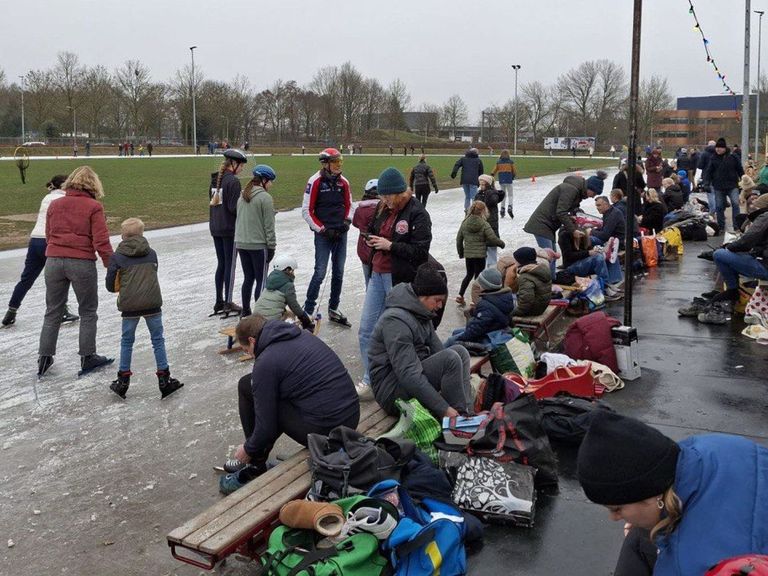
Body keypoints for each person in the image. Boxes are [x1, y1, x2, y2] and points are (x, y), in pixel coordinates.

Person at [577, 411, 768, 576]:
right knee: (641, 535)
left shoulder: (683, 564)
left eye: (617, 508)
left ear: (650, 496)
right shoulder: (717, 445)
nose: (614, 517)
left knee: (637, 541)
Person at [219, 314, 360, 494]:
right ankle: (257, 458)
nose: (249, 355)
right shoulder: (299, 335)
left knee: (254, 393)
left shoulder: (266, 362)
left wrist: (247, 449)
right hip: (350, 415)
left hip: (328, 431)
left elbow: (267, 427)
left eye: (246, 350)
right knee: (252, 385)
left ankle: (254, 465)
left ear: (253, 341)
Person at [356, 168, 433, 398]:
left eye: (388, 197)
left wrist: (390, 246)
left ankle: (402, 379)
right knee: (366, 330)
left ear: (400, 193)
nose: (385, 201)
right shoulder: (382, 208)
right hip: (377, 274)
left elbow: (421, 251)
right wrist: (370, 240)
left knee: (398, 331)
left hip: (399, 278)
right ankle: (373, 380)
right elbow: (373, 229)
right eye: (382, 197)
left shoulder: (417, 213)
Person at [37, 166, 114, 378]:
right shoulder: (93, 206)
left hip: (53, 261)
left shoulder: (55, 204)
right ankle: (87, 356)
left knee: (53, 310)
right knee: (88, 310)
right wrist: (112, 266)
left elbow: (48, 234)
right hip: (81, 262)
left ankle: (44, 357)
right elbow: (101, 241)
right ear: (94, 184)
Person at [368, 263, 472, 419]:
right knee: (450, 359)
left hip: (411, 378)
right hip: (391, 392)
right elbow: (409, 374)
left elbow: (440, 351)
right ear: (423, 296)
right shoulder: (395, 322)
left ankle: (467, 414)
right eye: (437, 300)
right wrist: (444, 409)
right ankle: (456, 422)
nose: (440, 305)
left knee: (460, 352)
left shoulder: (422, 313)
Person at [105, 218, 184, 400]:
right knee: (158, 340)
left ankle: (123, 381)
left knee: (127, 341)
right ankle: (164, 379)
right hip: (152, 303)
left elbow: (110, 286)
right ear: (142, 234)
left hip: (130, 306)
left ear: (123, 236)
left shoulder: (117, 257)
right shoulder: (152, 254)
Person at [3, 175, 79, 328]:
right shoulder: (64, 199)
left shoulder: (47, 197)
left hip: (35, 240)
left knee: (26, 279)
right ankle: (61, 312)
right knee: (58, 279)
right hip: (49, 241)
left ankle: (11, 311)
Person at [301, 148, 353, 327]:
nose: (339, 165)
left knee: (338, 272)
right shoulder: (314, 181)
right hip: (323, 235)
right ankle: (307, 310)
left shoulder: (344, 182)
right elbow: (307, 211)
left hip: (340, 233)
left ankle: (333, 307)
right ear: (326, 164)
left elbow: (349, 205)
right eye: (335, 162)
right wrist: (322, 230)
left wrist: (347, 222)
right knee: (320, 272)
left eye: (340, 162)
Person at [699, 193, 768, 324]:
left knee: (719, 255)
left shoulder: (765, 216)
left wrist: (729, 247)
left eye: (756, 204)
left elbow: (747, 240)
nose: (752, 206)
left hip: (765, 266)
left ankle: (732, 291)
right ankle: (726, 292)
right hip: (763, 260)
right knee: (731, 255)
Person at [523, 175, 601, 277]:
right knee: (548, 256)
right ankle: (548, 284)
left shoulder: (576, 191)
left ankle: (551, 281)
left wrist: (573, 217)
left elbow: (569, 208)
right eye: (594, 193)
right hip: (541, 224)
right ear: (589, 187)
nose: (593, 196)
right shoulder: (571, 189)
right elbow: (561, 212)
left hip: (548, 225)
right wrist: (573, 230)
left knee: (553, 255)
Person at [209, 149, 248, 317]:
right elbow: (233, 208)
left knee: (222, 264)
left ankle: (219, 300)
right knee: (230, 266)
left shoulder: (216, 179)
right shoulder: (233, 182)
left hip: (216, 227)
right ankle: (228, 301)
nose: (242, 169)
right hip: (229, 230)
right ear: (234, 164)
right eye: (241, 166)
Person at [235, 164, 277, 317]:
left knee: (248, 278)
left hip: (241, 243)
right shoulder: (265, 198)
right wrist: (271, 246)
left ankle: (245, 311)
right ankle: (260, 313)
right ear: (264, 180)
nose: (271, 185)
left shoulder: (242, 195)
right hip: (258, 245)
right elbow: (269, 226)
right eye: (271, 181)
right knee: (261, 279)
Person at [444, 267, 515, 347]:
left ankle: (439, 356)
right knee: (456, 332)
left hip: (489, 336)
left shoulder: (485, 304)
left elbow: (476, 330)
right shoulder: (506, 296)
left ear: (484, 285)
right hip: (497, 330)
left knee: (451, 341)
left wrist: (460, 337)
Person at [455, 200, 505, 306]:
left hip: (469, 255)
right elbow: (492, 238)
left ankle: (460, 295)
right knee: (478, 277)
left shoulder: (465, 222)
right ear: (483, 211)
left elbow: (459, 239)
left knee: (469, 274)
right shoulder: (484, 223)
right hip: (480, 255)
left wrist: (461, 252)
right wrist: (501, 243)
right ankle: (475, 300)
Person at [252, 255, 315, 331]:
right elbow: (294, 306)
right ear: (288, 270)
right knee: (291, 314)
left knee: (288, 312)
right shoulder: (288, 286)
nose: (293, 273)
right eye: (293, 270)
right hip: (269, 323)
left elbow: (273, 301)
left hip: (255, 319)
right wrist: (306, 321)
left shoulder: (270, 280)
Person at [557, 228, 620, 299]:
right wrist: (588, 253)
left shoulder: (581, 233)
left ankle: (607, 284)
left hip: (580, 264)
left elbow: (587, 251)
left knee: (602, 258)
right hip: (570, 267)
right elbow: (569, 256)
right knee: (598, 258)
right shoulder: (565, 235)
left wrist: (593, 251)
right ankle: (605, 288)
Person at [704, 138, 745, 233]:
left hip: (732, 185)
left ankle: (736, 226)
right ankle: (721, 226)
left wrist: (743, 181)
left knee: (735, 204)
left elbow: (740, 170)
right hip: (718, 186)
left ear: (724, 148)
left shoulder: (733, 157)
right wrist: (706, 183)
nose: (717, 149)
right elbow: (708, 172)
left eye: (720, 148)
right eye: (716, 148)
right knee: (719, 206)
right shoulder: (713, 158)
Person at [351, 179, 380, 287]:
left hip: (363, 250)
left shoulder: (360, 209)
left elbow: (355, 223)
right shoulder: (383, 209)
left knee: (369, 281)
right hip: (378, 251)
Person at [510, 247, 551, 318]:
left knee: (505, 300)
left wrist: (512, 312)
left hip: (533, 310)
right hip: (542, 305)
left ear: (522, 261)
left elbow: (526, 302)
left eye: (516, 260)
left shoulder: (525, 277)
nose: (514, 262)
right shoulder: (540, 269)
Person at [475, 174, 503, 266]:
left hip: (491, 225)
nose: (481, 186)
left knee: (491, 247)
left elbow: (493, 201)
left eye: (483, 185)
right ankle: (484, 266)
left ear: (488, 185)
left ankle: (492, 267)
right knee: (483, 248)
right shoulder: (479, 194)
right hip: (481, 225)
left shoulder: (492, 194)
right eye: (480, 184)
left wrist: (488, 194)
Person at [491, 150, 516, 218]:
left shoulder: (498, 162)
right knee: (510, 194)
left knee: (503, 195)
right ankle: (510, 206)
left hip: (502, 180)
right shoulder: (510, 162)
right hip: (509, 180)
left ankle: (502, 208)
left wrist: (492, 175)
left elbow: (494, 171)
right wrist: (513, 177)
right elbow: (514, 171)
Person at [697, 139, 718, 212]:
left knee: (710, 194)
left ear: (708, 145)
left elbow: (700, 166)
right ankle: (718, 210)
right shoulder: (718, 153)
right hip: (718, 176)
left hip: (707, 176)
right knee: (717, 194)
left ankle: (712, 210)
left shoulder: (704, 154)